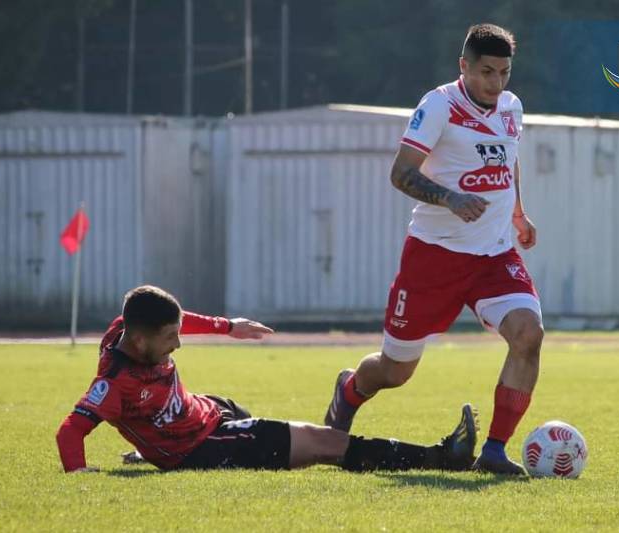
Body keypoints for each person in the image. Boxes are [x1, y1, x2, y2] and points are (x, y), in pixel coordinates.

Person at [324, 24, 542, 476]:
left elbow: (509, 157)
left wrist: (518, 212)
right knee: (395, 371)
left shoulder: (512, 107)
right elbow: (401, 173)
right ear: (464, 66)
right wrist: (451, 198)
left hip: (495, 255)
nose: (495, 84)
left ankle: (496, 451)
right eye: (486, 72)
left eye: (503, 73)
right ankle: (348, 390)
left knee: (528, 335)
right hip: (434, 258)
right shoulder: (438, 105)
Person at [55, 285, 478, 474]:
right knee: (321, 443)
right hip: (197, 447)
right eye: (170, 338)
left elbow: (181, 325)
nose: (178, 345)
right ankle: (443, 458)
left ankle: (337, 418)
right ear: (141, 339)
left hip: (211, 411)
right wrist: (79, 473)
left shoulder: (124, 327)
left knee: (291, 439)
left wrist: (226, 326)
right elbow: (70, 433)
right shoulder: (113, 383)